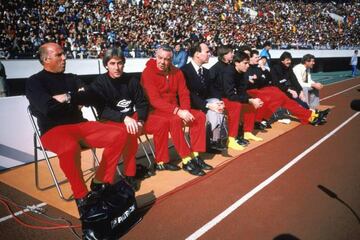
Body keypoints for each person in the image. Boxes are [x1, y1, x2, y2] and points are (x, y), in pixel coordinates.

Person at [26, 42, 128, 221]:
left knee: (119, 134)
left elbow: (90, 96)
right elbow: (46, 108)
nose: (64, 57)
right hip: (53, 130)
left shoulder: (72, 77)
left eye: (63, 53)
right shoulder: (35, 82)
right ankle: (82, 197)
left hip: (81, 125)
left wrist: (67, 97)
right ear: (46, 59)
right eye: (59, 55)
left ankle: (99, 182)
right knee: (69, 147)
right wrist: (74, 100)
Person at [91, 48, 180, 182]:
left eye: (120, 63)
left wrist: (141, 121)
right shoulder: (99, 82)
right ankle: (130, 174)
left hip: (133, 118)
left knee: (161, 123)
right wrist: (124, 118)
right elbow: (102, 110)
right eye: (112, 63)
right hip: (111, 121)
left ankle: (162, 161)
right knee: (130, 132)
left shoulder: (131, 80)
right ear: (106, 65)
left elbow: (142, 103)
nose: (117, 67)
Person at [141, 45, 208, 176]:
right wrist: (178, 112)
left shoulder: (177, 72)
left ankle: (195, 155)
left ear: (171, 59)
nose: (162, 62)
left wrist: (186, 111)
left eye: (166, 59)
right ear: (155, 56)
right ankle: (186, 159)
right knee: (175, 120)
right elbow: (154, 100)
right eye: (160, 58)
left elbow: (184, 93)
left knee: (199, 116)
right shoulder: (147, 73)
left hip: (175, 109)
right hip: (156, 111)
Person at [245, 50, 330, 127]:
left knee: (288, 101)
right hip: (257, 91)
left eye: (258, 57)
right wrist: (255, 78)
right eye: (256, 57)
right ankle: (260, 119)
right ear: (250, 58)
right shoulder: (248, 68)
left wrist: (263, 69)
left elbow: (267, 79)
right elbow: (264, 82)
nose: (259, 59)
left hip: (268, 89)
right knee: (282, 97)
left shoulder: (258, 68)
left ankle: (310, 116)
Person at [181, 42, 225, 153]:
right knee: (213, 108)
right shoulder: (184, 71)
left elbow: (212, 89)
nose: (210, 54)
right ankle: (212, 140)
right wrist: (208, 105)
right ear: (197, 54)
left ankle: (213, 140)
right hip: (189, 105)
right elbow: (188, 94)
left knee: (217, 104)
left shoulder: (205, 71)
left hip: (203, 102)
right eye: (207, 52)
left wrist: (219, 101)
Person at [210, 45, 249, 147]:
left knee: (244, 102)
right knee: (236, 105)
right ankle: (232, 137)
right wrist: (216, 100)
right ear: (223, 55)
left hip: (227, 95)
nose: (233, 54)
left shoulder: (231, 67)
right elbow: (210, 86)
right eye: (230, 52)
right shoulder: (215, 69)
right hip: (218, 98)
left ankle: (241, 134)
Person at [221, 51, 264, 143]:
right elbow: (230, 95)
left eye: (248, 63)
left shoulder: (243, 72)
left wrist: (252, 100)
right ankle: (231, 138)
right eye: (245, 63)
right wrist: (250, 100)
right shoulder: (228, 72)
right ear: (237, 63)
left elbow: (242, 92)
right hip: (221, 97)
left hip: (231, 96)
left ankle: (247, 132)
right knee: (236, 105)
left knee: (251, 100)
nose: (248, 65)